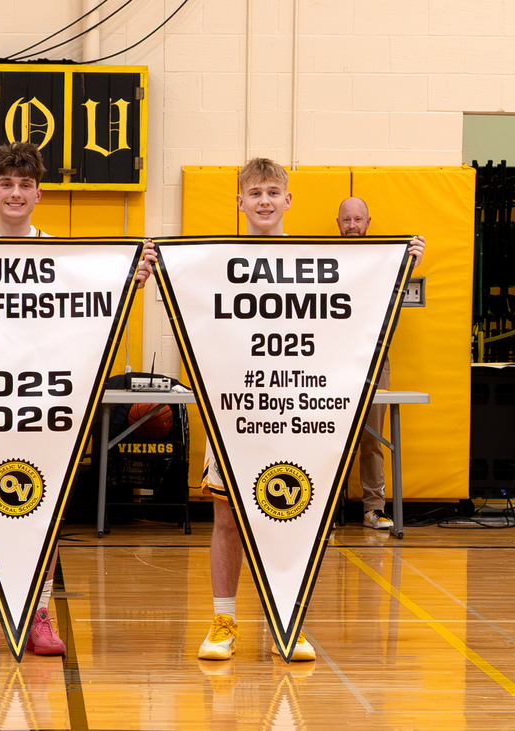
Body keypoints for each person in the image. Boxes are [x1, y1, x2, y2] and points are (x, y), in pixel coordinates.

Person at [0, 142, 156, 655]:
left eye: (25, 185)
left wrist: (130, 280)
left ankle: (40, 613)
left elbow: (92, 303)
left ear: (38, 193)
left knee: (43, 505)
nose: (15, 193)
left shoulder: (58, 256)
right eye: (7, 184)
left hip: (45, 398)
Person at [196, 158, 316, 662]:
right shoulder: (214, 260)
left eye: (273, 192)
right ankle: (223, 618)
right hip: (234, 408)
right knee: (227, 518)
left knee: (292, 516)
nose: (264, 200)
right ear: (240, 202)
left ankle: (288, 621)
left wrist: (401, 265)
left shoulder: (315, 263)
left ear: (288, 200)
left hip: (293, 406)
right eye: (254, 193)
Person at [337, 197, 425, 530]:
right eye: (347, 220)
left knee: (372, 439)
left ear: (368, 222)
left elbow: (402, 275)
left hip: (374, 360)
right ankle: (329, 509)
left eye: (358, 219)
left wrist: (413, 257)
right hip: (328, 360)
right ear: (338, 223)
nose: (353, 226)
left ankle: (373, 508)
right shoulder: (325, 259)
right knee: (325, 434)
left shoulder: (385, 260)